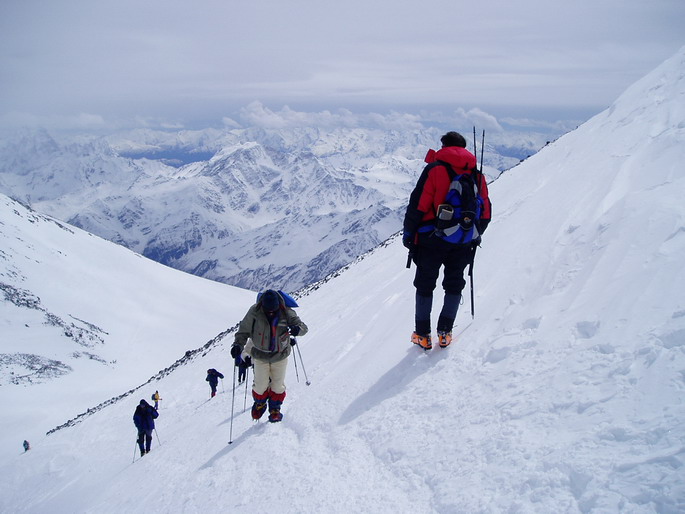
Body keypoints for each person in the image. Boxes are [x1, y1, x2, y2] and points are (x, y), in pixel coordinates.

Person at [403, 131, 491, 350]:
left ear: (443, 146)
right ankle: (445, 333)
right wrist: (472, 233)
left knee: (425, 285)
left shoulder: (435, 169)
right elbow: (486, 211)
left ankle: (423, 335)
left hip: (430, 238)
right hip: (463, 239)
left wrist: (409, 236)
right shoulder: (476, 175)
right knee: (454, 283)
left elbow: (418, 205)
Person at [231, 289, 308, 423]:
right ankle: (260, 403)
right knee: (260, 385)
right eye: (268, 310)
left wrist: (297, 329)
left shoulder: (286, 311)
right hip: (260, 355)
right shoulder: (255, 311)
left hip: (280, 355)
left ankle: (275, 409)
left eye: (273, 310)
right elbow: (244, 330)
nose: (271, 312)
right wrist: (238, 345)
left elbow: (302, 327)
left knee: (278, 385)